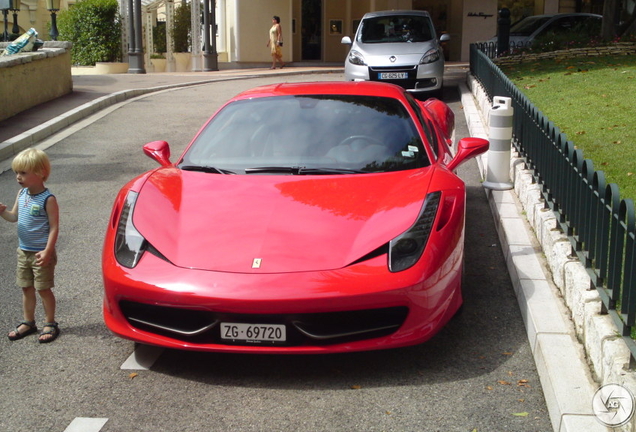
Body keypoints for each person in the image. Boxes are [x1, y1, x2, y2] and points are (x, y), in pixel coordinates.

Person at [0, 148, 60, 343]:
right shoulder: (22, 193)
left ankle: (50, 322)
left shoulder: (48, 199)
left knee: (43, 289)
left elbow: (54, 227)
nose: (18, 177)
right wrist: (3, 212)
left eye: (23, 173)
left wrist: (48, 250)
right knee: (26, 287)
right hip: (23, 251)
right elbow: (14, 217)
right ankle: (29, 321)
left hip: (41, 253)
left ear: (41, 172)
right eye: (17, 172)